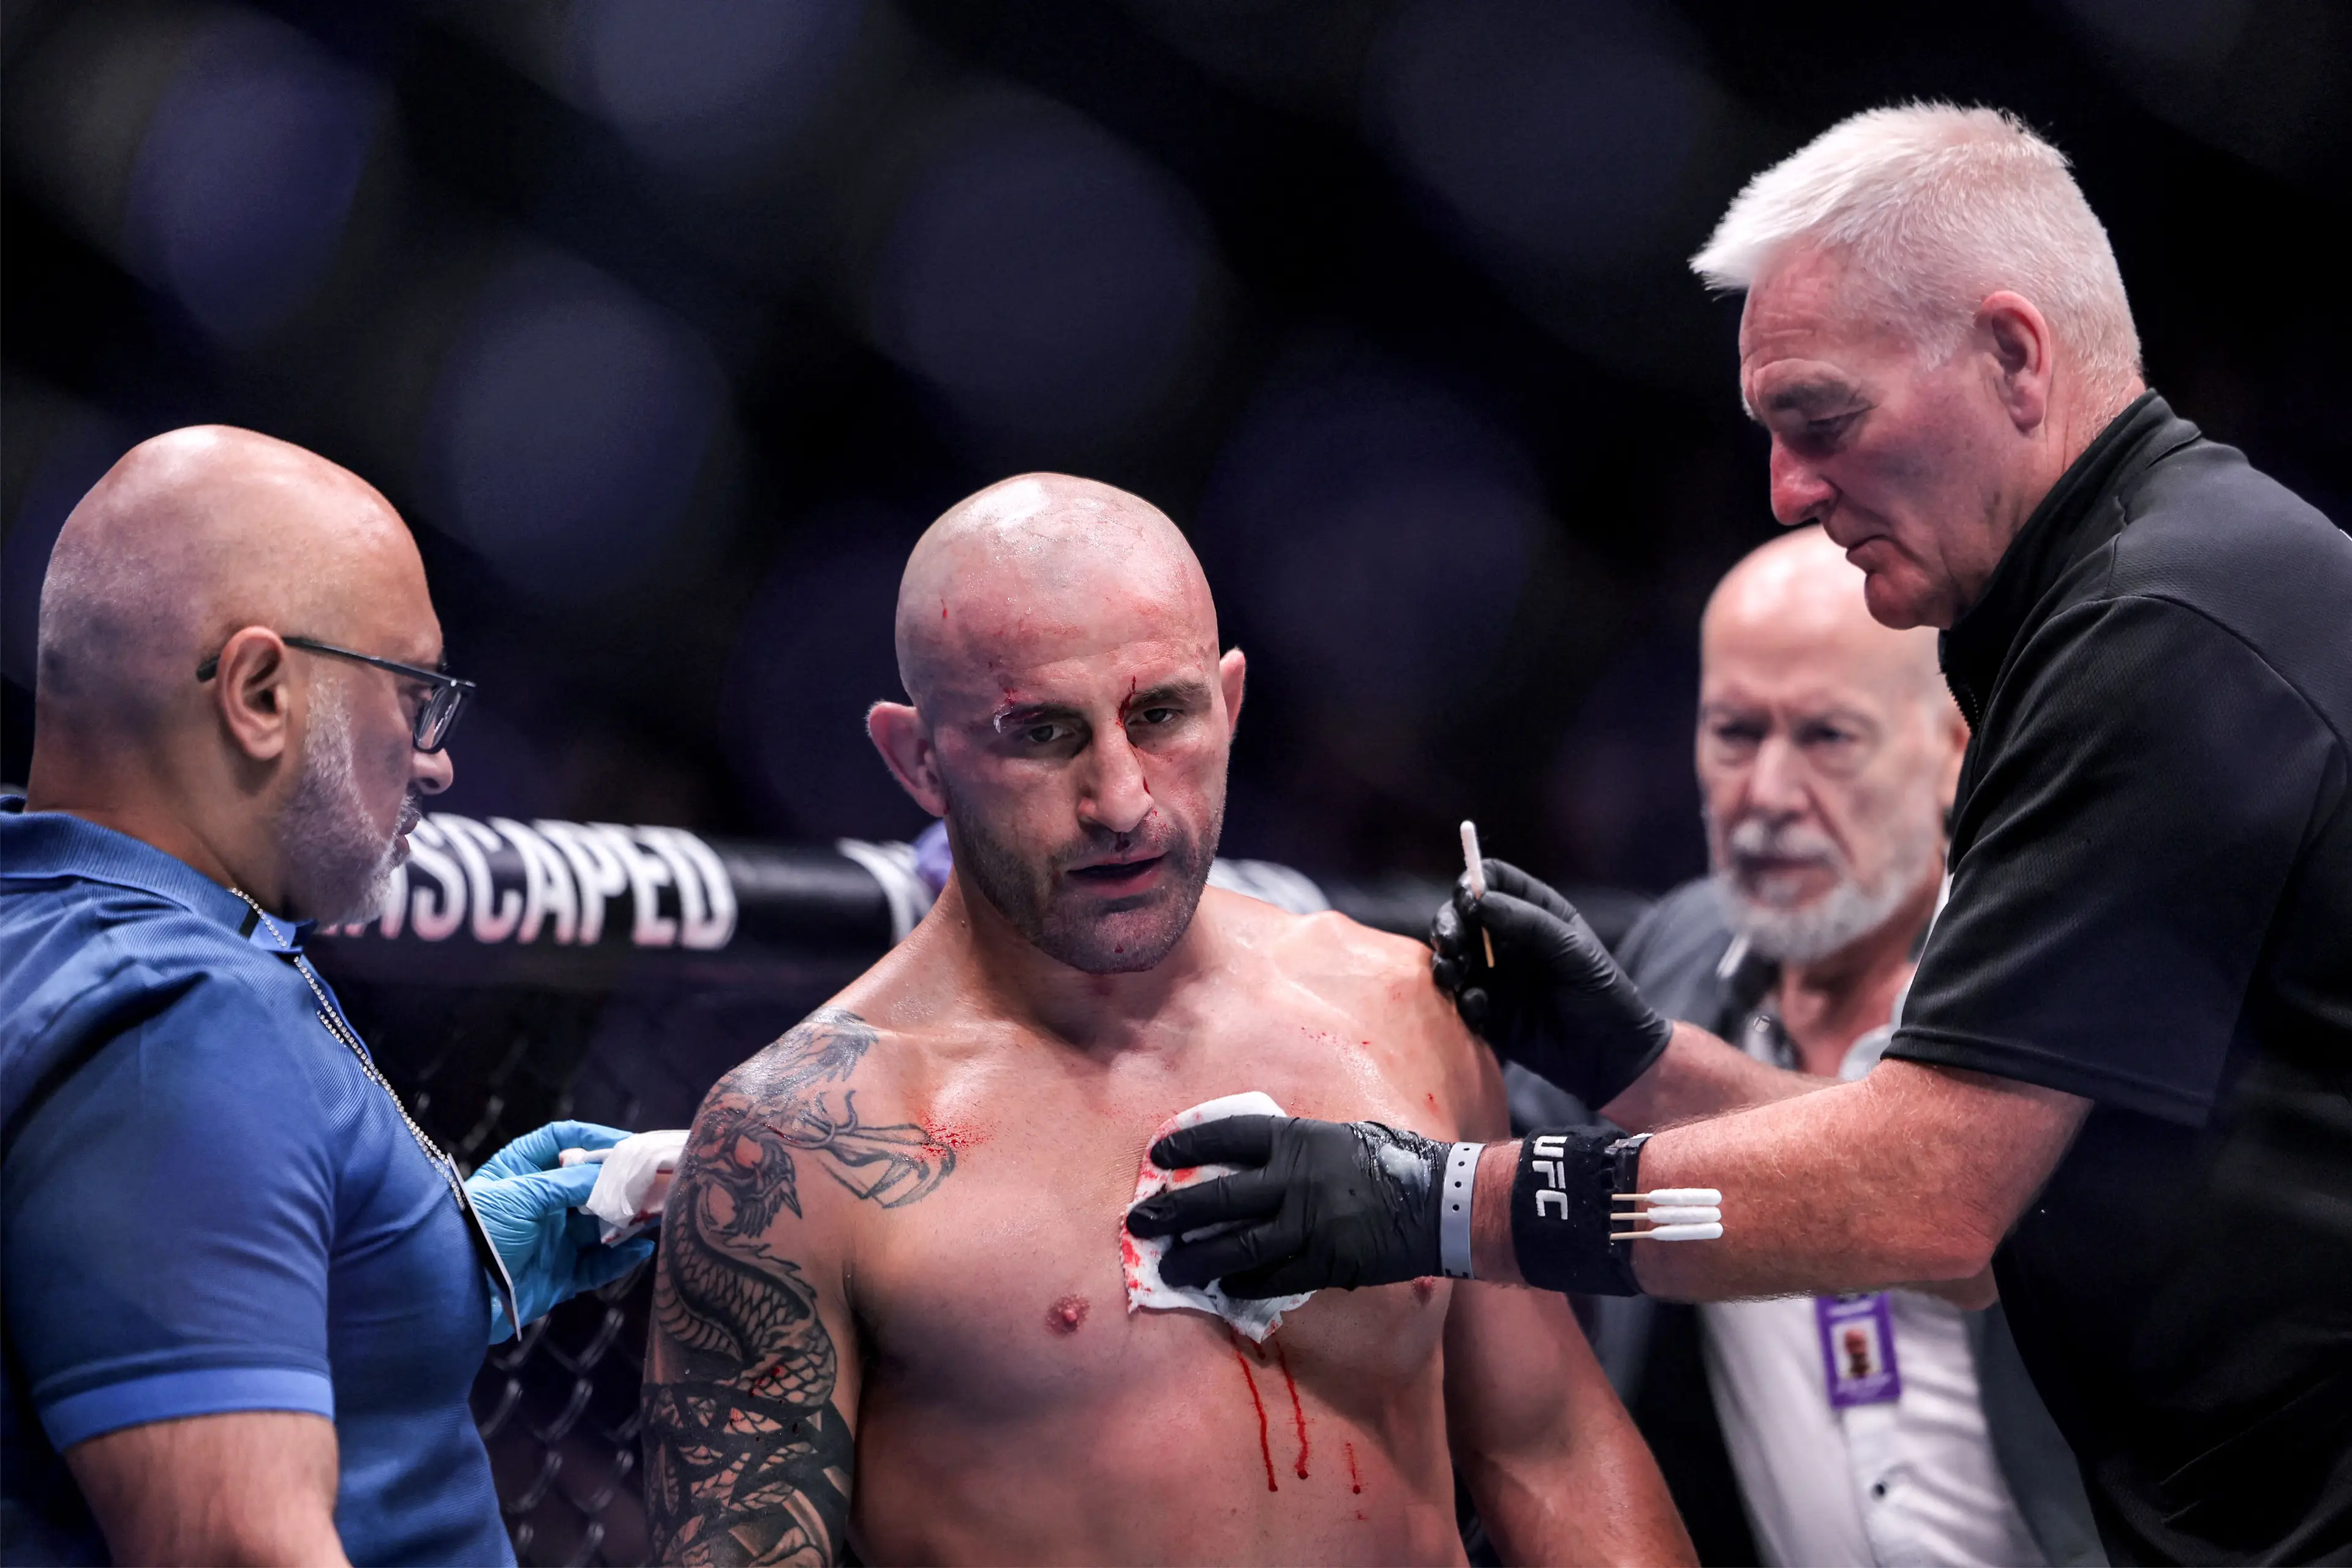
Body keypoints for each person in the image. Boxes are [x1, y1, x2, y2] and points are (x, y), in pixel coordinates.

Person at [1128, 104, 2352, 1566]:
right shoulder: (2159, 588)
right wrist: (1639, 1063)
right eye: (1770, 435)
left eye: (1824, 422)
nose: (1786, 492)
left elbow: (1929, 1203)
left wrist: (1434, 1200)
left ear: (2016, 357)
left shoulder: (2158, 631)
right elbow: (1989, 1192)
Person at [639, 473, 1692, 1566]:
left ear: (1229, 702)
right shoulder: (806, 1142)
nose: (1123, 800)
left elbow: (1550, 1447)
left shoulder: (1397, 1011)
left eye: (1161, 715)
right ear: (918, 758)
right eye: (1040, 732)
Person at [1, 427, 652, 1566]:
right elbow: (233, 1549)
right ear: (259, 692)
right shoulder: (186, 1024)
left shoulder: (62, 929)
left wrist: (439, 1263)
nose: (438, 759)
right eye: (415, 697)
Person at [1585, 526, 2101, 1567]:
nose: (1768, 795)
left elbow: (1974, 1233)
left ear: (1957, 748)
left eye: (1826, 737)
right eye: (1735, 733)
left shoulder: (2064, 980)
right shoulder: (1669, 967)